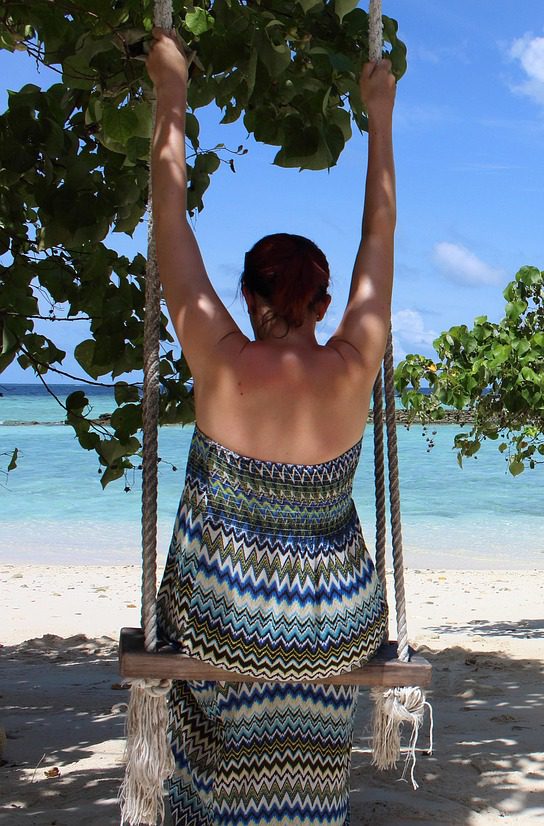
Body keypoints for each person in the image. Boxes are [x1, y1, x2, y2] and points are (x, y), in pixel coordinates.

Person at [145, 29, 397, 825]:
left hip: (229, 619)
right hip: (332, 627)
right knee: (306, 740)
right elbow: (378, 240)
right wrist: (380, 118)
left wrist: (172, 94)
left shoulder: (220, 360)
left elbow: (169, 224)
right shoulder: (355, 361)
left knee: (193, 679)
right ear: (325, 304)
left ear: (249, 295)